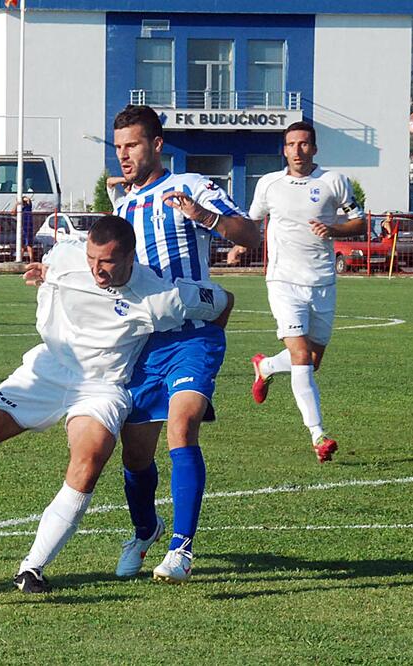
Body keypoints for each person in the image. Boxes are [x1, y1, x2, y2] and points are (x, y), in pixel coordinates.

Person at [0, 216, 232, 593]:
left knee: (91, 457)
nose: (97, 270)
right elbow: (54, 264)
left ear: (131, 257)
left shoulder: (160, 298)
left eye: (108, 262)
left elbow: (222, 303)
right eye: (92, 259)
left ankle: (31, 568)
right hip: (48, 370)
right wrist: (43, 271)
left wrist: (202, 357)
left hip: (102, 387)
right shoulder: (67, 257)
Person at [110, 105, 261, 583]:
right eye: (118, 147)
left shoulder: (190, 187)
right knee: (134, 453)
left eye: (132, 145)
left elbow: (251, 234)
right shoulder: (121, 207)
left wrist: (206, 217)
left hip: (194, 334)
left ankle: (181, 548)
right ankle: (146, 528)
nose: (124, 155)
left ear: (157, 145)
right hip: (142, 342)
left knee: (183, 424)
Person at [248, 121, 366, 463]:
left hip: (323, 282)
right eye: (291, 144)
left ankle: (267, 366)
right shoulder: (269, 184)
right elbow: (253, 219)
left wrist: (335, 228)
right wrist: (240, 246)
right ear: (283, 149)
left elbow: (360, 223)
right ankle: (319, 435)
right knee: (301, 357)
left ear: (314, 148)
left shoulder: (334, 181)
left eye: (303, 144)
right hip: (283, 281)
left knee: (313, 362)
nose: (297, 150)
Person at [13, 196, 35, 262]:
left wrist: (23, 198)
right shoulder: (20, 209)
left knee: (28, 245)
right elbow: (13, 212)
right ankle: (19, 259)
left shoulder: (28, 207)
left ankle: (31, 260)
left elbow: (29, 200)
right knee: (21, 245)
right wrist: (16, 204)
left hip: (28, 228)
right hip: (22, 229)